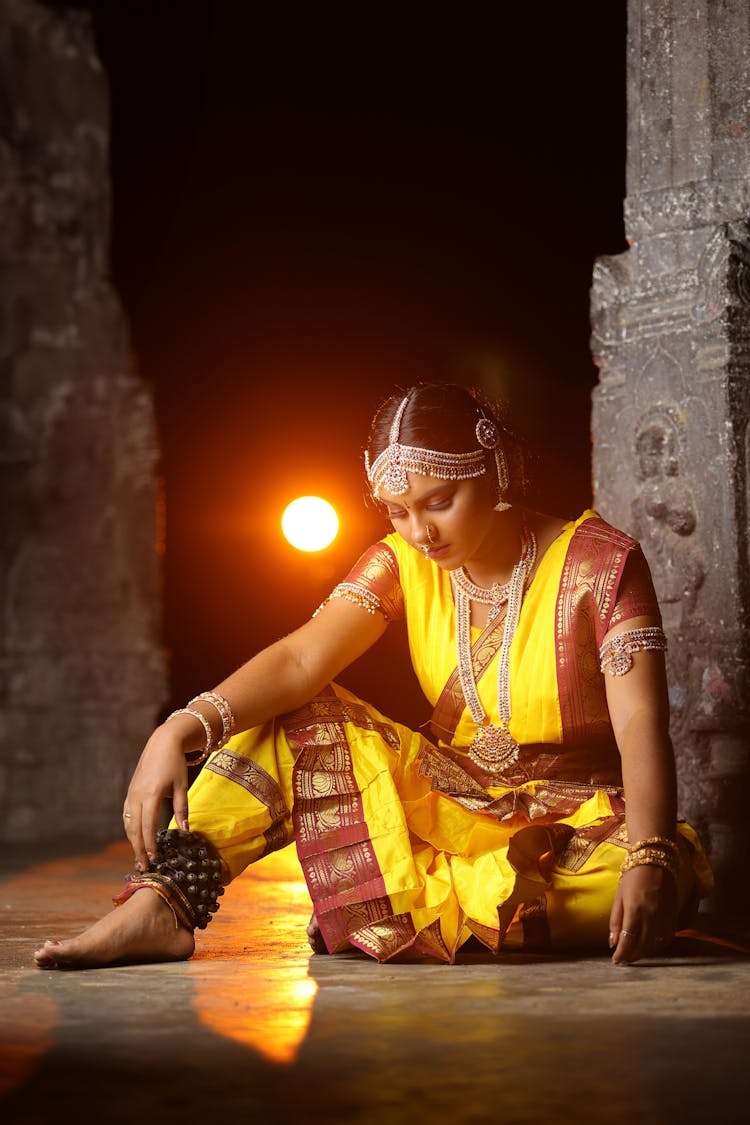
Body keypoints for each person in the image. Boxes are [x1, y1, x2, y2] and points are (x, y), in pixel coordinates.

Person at [34, 382, 712, 970]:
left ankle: (382, 905)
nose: (421, 532)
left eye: (438, 501)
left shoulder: (603, 563)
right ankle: (165, 904)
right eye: (397, 511)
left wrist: (650, 854)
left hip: (581, 828)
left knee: (657, 884)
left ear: (494, 470)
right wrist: (178, 727)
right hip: (458, 806)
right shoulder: (400, 561)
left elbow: (639, 722)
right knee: (287, 715)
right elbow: (301, 661)